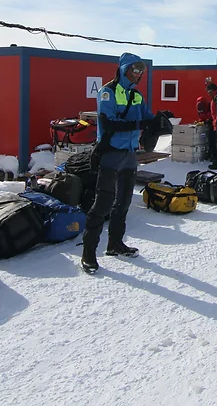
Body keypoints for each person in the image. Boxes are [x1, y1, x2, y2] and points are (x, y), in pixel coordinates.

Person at [81, 53, 155, 274]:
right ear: (124, 70)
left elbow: (146, 117)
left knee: (123, 203)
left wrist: (159, 119)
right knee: (103, 205)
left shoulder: (137, 95)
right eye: (135, 70)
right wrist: (142, 122)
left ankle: (115, 244)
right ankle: (88, 253)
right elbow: (109, 123)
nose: (138, 74)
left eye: (141, 71)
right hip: (111, 154)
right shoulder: (108, 92)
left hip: (130, 156)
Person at [195, 94, 215, 161]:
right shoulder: (200, 107)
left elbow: (213, 117)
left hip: (213, 126)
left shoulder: (210, 107)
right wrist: (199, 122)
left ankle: (212, 154)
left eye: (202, 111)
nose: (201, 112)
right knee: (207, 140)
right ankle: (207, 153)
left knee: (212, 140)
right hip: (206, 127)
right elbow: (202, 117)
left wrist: (206, 122)